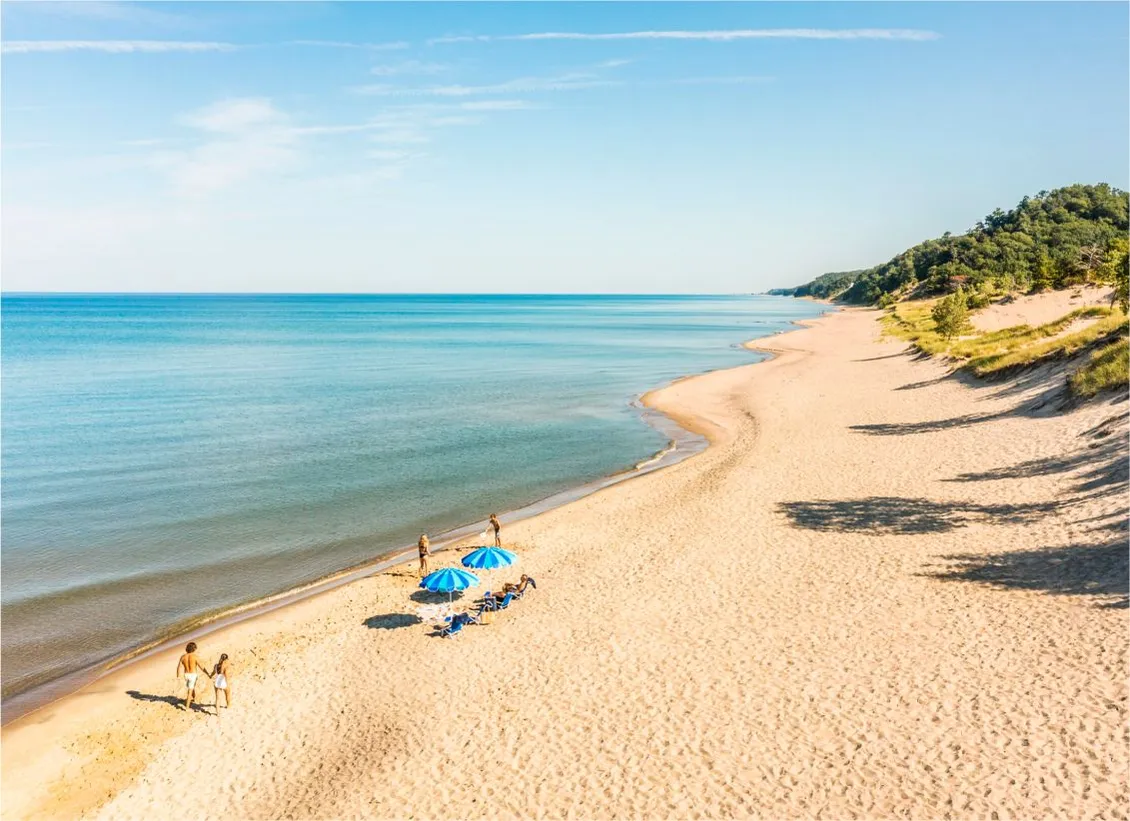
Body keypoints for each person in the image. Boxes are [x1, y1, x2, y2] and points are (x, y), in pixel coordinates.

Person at [176, 642, 210, 712]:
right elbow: (201, 667)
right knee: (190, 691)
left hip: (186, 675)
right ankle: (187, 708)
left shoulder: (183, 657)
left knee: (191, 686)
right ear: (194, 649)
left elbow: (179, 667)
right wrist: (207, 673)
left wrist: (178, 676)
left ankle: (194, 698)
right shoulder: (195, 656)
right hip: (193, 675)